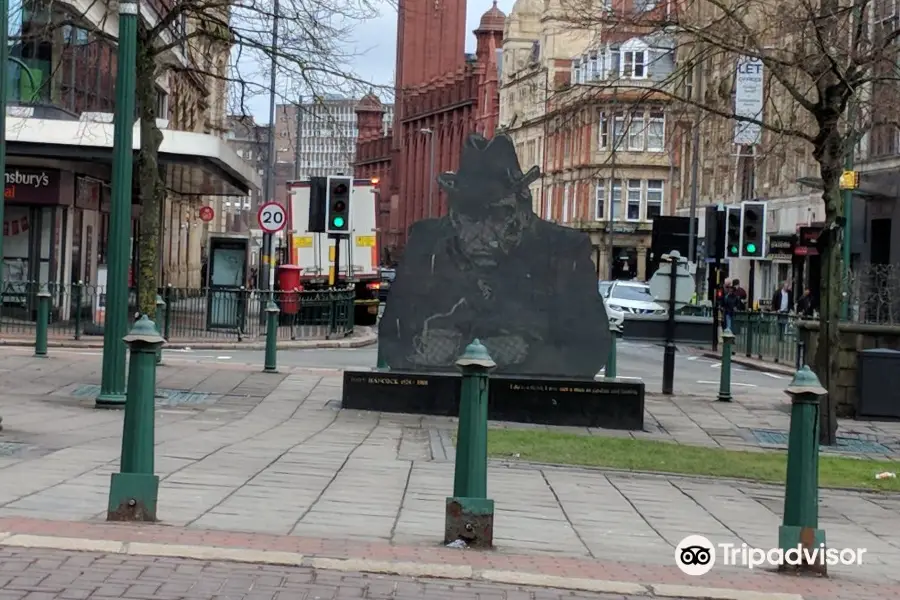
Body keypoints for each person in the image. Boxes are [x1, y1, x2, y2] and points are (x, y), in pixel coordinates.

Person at [379, 133, 610, 378]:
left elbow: (589, 350)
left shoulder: (564, 249)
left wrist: (524, 353)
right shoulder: (426, 242)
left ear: (522, 211)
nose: (483, 235)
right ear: (454, 214)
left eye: (498, 216)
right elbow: (392, 339)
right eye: (471, 216)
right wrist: (423, 350)